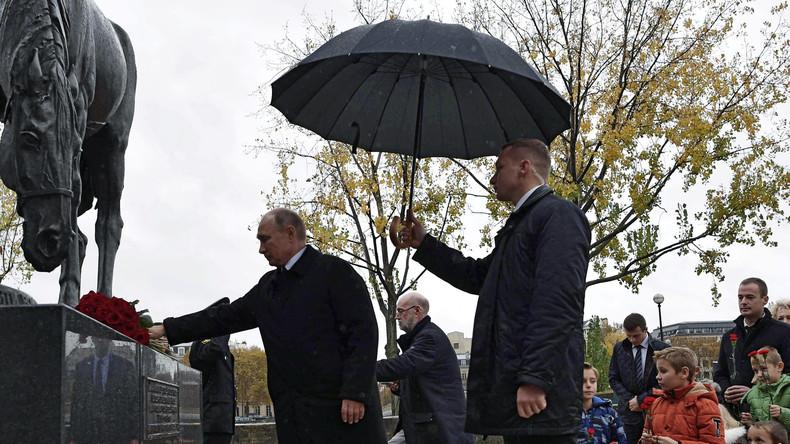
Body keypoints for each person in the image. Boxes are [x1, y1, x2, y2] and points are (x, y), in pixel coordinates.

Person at [399, 138, 592, 443]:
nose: (492, 178)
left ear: (524, 167)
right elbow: (478, 275)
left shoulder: (558, 216)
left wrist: (536, 379)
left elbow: (558, 302)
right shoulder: (520, 226)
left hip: (539, 395)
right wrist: (425, 243)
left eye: (499, 167)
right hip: (519, 391)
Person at [148, 208, 387, 443]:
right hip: (293, 418)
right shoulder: (269, 287)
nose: (261, 249)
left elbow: (363, 333)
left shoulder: (334, 271)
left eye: (265, 239)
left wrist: (356, 393)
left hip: (341, 413)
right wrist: (168, 329)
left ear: (290, 233)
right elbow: (222, 317)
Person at [375, 291, 473, 444]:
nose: (396, 316)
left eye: (401, 311)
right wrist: (401, 387)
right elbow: (424, 380)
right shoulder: (419, 339)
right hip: (424, 427)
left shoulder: (429, 338)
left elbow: (403, 365)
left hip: (441, 429)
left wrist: (364, 368)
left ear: (417, 311)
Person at [714, 278, 790, 418]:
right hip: (735, 414)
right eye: (740, 297)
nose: (743, 301)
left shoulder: (784, 332)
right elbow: (720, 373)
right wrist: (726, 391)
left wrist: (754, 392)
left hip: (771, 415)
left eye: (750, 297)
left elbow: (787, 373)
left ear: (765, 299)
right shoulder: (728, 337)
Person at [640, 346, 724, 444]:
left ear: (684, 373)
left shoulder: (705, 405)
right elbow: (646, 433)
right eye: (658, 371)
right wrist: (644, 441)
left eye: (663, 371)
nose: (657, 377)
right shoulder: (656, 404)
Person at [608, 313, 670, 444]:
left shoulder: (663, 349)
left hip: (658, 412)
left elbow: (669, 381)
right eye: (628, 336)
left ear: (645, 330)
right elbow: (613, 379)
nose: (632, 340)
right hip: (629, 414)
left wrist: (642, 401)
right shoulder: (619, 348)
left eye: (636, 336)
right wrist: (630, 400)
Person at [69, 336, 139, 444]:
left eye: (104, 337)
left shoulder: (125, 366)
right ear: (92, 339)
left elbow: (133, 402)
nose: (100, 340)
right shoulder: (82, 366)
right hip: (88, 434)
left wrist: (134, 436)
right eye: (97, 337)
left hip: (117, 433)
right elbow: (76, 402)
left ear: (110, 339)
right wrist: (73, 437)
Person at [189, 298, 236, 444]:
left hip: (223, 421)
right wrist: (222, 328)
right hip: (213, 421)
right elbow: (216, 349)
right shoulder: (202, 343)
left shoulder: (222, 348)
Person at [740, 347, 790, 432]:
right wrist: (751, 421)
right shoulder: (753, 394)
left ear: (779, 367)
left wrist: (783, 413)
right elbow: (757, 423)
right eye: (755, 371)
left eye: (764, 369)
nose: (759, 374)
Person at [578, 362, 627, 444]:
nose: (589, 385)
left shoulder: (609, 413)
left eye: (593, 381)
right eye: (583, 381)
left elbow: (620, 439)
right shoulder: (567, 413)